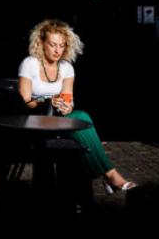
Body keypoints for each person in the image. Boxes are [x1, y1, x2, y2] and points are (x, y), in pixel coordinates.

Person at [18, 18, 137, 194]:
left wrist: (67, 107)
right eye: (52, 45)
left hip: (58, 120)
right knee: (82, 119)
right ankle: (111, 177)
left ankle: (106, 179)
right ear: (41, 43)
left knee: (80, 116)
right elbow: (25, 101)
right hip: (35, 120)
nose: (58, 50)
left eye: (61, 45)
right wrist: (47, 101)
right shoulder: (30, 63)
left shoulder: (66, 68)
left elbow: (68, 100)